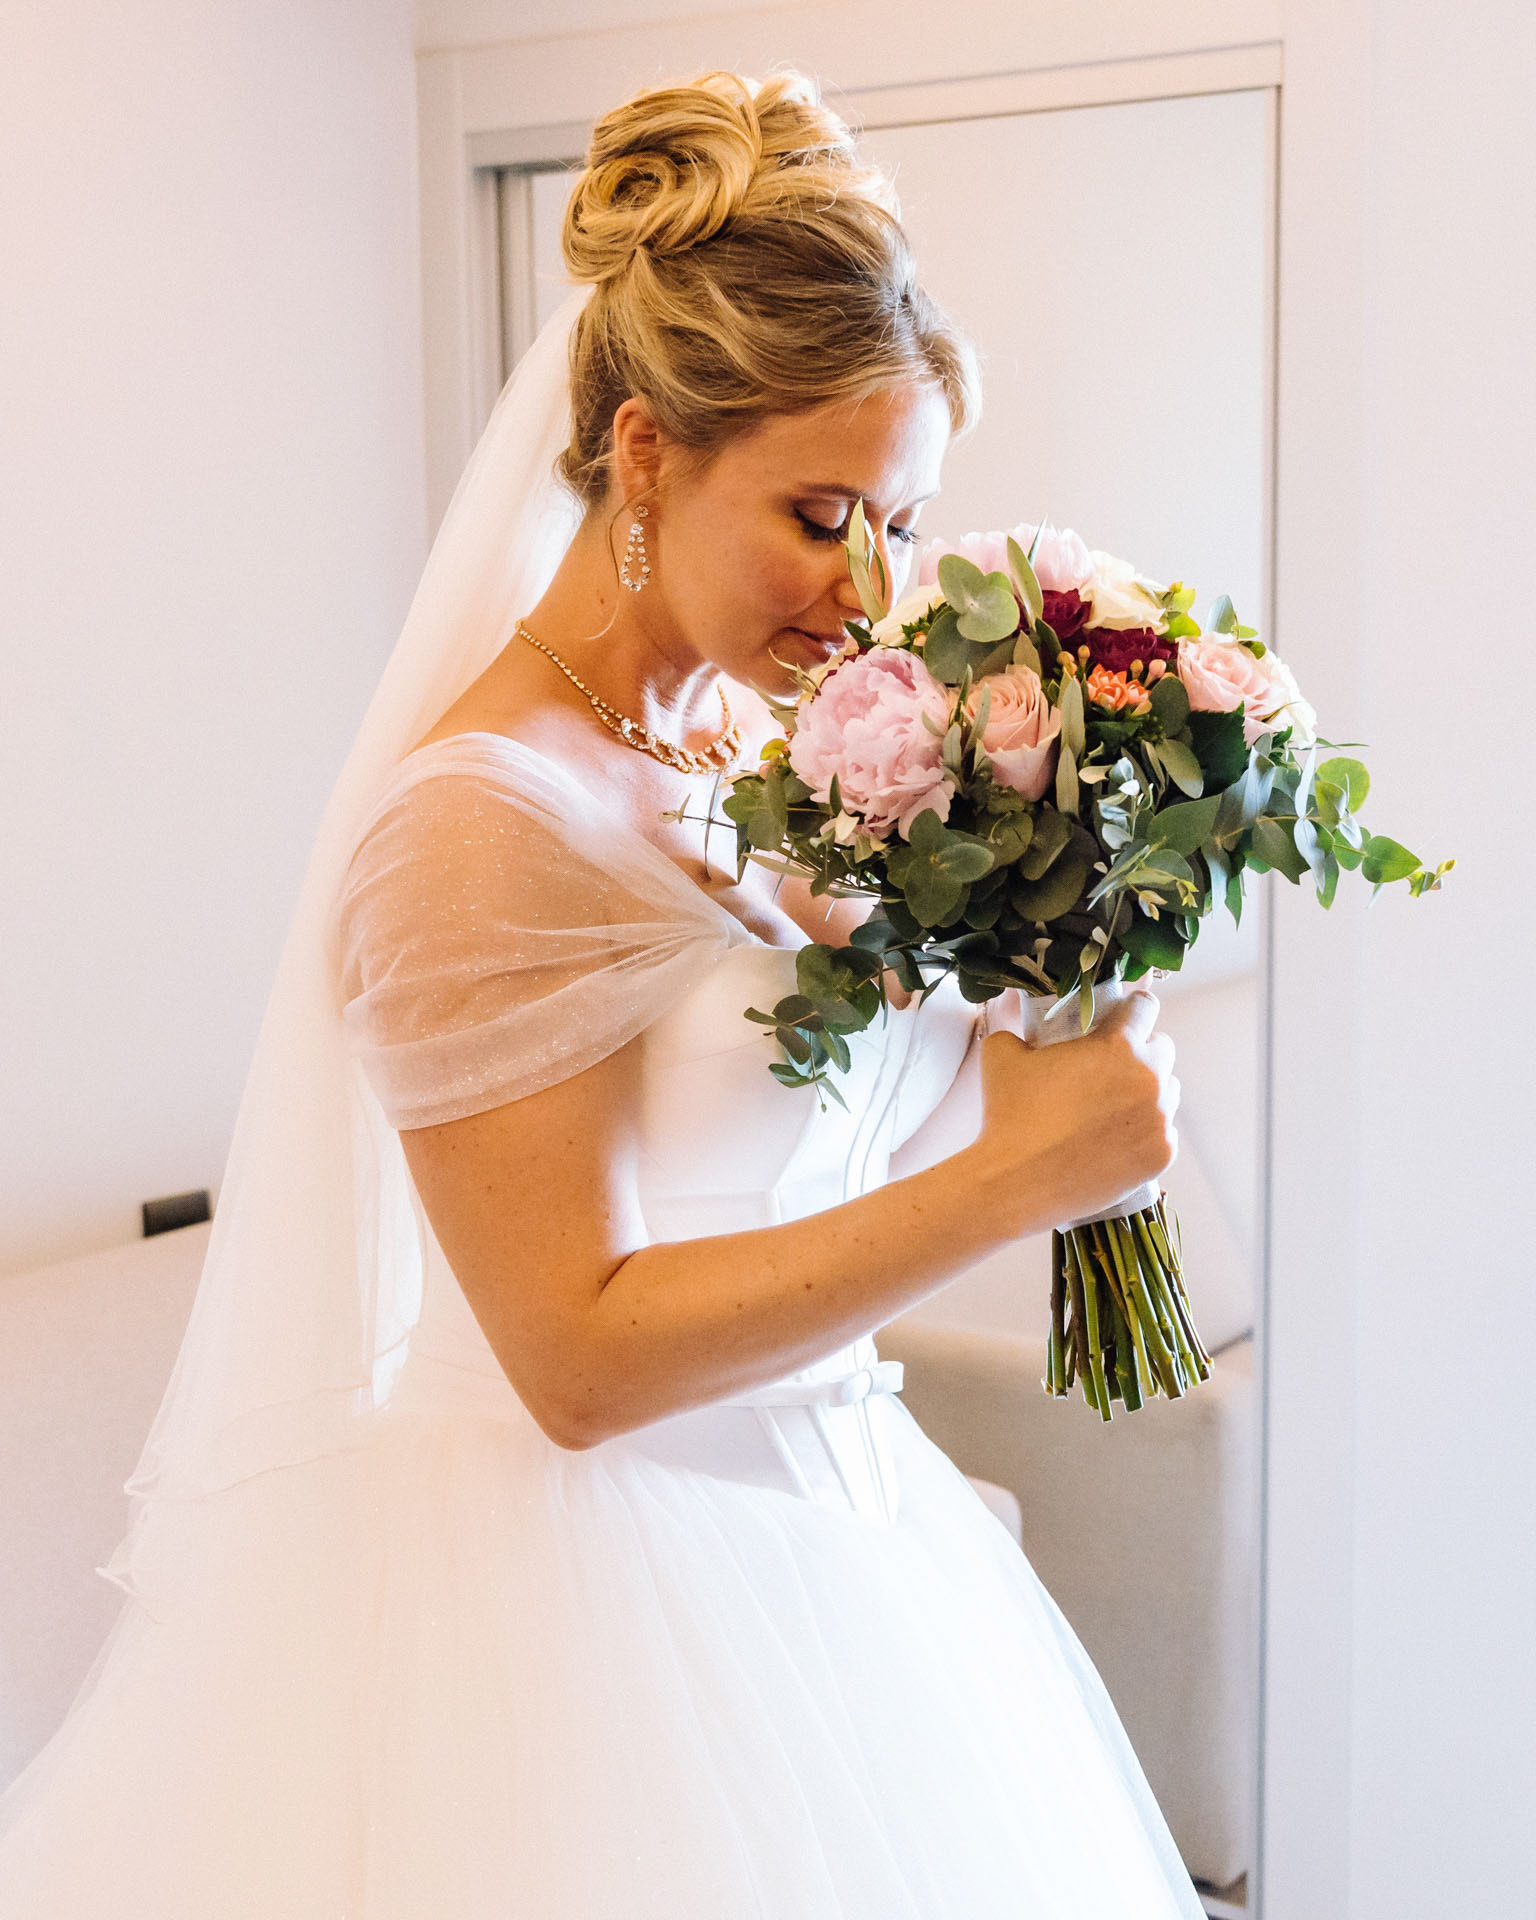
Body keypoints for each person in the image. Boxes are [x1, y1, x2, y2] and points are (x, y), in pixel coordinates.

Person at [0, 68, 1199, 1917]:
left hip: (850, 1551)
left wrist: (1059, 951)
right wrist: (1028, 1180)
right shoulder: (480, 825)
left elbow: (828, 1116)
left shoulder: (762, 743)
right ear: (646, 451)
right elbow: (572, 1358)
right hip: (579, 1634)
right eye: (821, 514)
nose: (874, 590)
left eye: (901, 521)